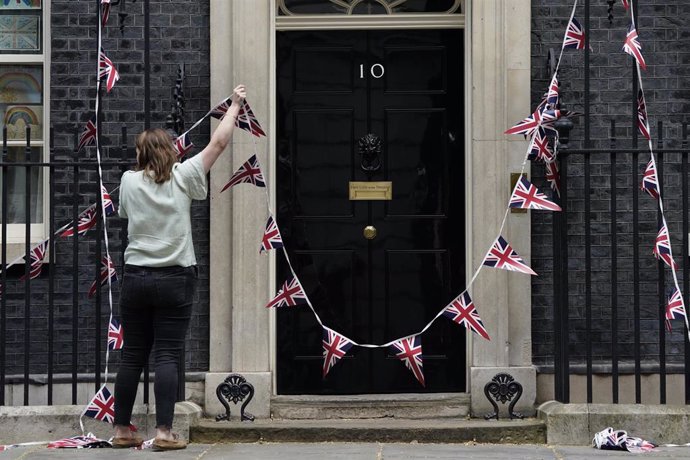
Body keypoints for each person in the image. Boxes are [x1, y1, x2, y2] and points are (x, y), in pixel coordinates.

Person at [111, 85, 247, 450]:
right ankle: (164, 432)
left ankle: (122, 430)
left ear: (140, 153)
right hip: (174, 276)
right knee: (168, 353)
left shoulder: (127, 181)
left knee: (133, 353)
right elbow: (217, 145)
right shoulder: (184, 175)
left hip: (136, 276)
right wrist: (234, 105)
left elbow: (124, 213)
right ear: (170, 151)